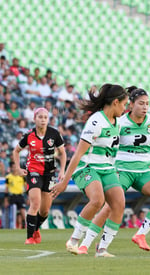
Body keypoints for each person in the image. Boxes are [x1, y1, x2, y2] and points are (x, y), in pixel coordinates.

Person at [74, 86, 150, 254]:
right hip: (122, 169)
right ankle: (85, 244)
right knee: (110, 206)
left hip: (143, 171)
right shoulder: (120, 122)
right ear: (130, 105)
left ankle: (140, 235)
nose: (145, 107)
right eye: (141, 103)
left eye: (147, 104)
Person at [51, 84, 128, 257]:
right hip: (87, 166)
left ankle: (101, 249)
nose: (125, 108)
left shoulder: (118, 122)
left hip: (107, 168)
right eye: (124, 104)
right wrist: (64, 182)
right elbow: (78, 154)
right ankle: (74, 240)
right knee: (97, 199)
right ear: (115, 102)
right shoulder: (96, 121)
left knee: (119, 204)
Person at [13, 107, 66, 244]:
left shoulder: (54, 133)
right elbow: (16, 151)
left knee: (44, 211)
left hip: (49, 174)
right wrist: (18, 168)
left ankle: (36, 229)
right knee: (35, 202)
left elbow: (63, 153)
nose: (43, 120)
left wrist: (62, 171)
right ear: (34, 119)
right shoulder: (29, 135)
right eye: (40, 117)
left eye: (45, 117)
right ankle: (30, 237)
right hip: (33, 172)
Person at [3, 161, 27, 229]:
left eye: (15, 167)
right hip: (12, 196)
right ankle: (14, 227)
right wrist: (6, 200)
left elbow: (26, 188)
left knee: (22, 211)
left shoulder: (21, 177)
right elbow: (6, 189)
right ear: (10, 168)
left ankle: (26, 225)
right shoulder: (8, 177)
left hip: (20, 196)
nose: (14, 169)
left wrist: (29, 197)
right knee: (14, 213)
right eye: (13, 167)